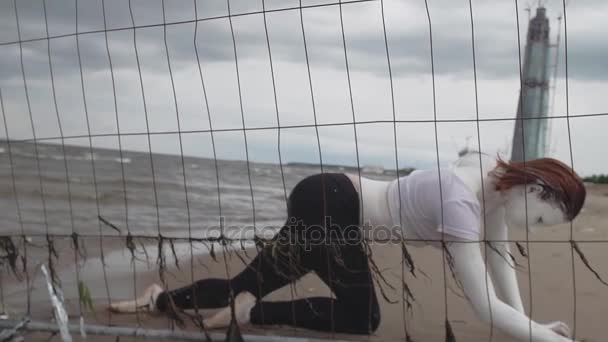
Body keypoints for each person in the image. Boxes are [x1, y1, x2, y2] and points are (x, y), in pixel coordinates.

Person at [109, 152, 586, 341]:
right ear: (535, 190)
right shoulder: (462, 202)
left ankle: (158, 300)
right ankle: (253, 313)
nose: (536, 228)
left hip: (326, 197)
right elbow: (484, 307)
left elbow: (499, 262)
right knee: (364, 318)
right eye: (544, 218)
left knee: (244, 282)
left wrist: (530, 326)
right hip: (334, 207)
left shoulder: (494, 185)